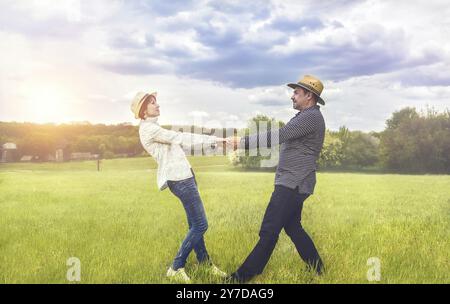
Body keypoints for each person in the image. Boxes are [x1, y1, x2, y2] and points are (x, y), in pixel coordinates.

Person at [226, 75, 326, 283]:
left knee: (269, 229)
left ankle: (241, 278)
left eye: (296, 92)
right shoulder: (306, 116)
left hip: (293, 183)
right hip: (296, 182)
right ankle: (318, 269)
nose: (292, 96)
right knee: (293, 227)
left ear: (309, 96)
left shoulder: (311, 117)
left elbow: (278, 135)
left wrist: (241, 142)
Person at [130, 90, 227, 283]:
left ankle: (205, 264)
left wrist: (217, 145)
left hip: (186, 176)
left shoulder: (154, 128)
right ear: (143, 111)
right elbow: (182, 138)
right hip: (180, 180)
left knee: (194, 224)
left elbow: (183, 145)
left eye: (156, 102)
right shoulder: (149, 129)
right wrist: (216, 139)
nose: (157, 105)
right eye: (152, 103)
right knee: (201, 225)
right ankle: (176, 267)